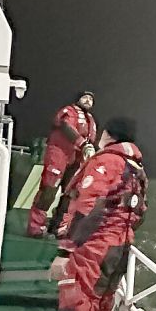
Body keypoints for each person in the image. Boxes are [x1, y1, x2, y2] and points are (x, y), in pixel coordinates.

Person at [42, 117, 148, 311]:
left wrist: (65, 251)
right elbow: (140, 213)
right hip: (119, 250)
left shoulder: (108, 164)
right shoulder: (137, 169)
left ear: (108, 136)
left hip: (95, 251)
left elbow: (87, 208)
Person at [27, 91, 97, 238]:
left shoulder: (91, 120)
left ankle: (58, 226)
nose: (88, 100)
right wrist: (82, 143)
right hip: (59, 152)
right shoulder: (69, 111)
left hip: (77, 158)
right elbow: (66, 127)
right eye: (85, 97)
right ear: (78, 98)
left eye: (91, 99)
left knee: (70, 193)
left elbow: (90, 140)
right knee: (49, 189)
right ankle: (36, 226)